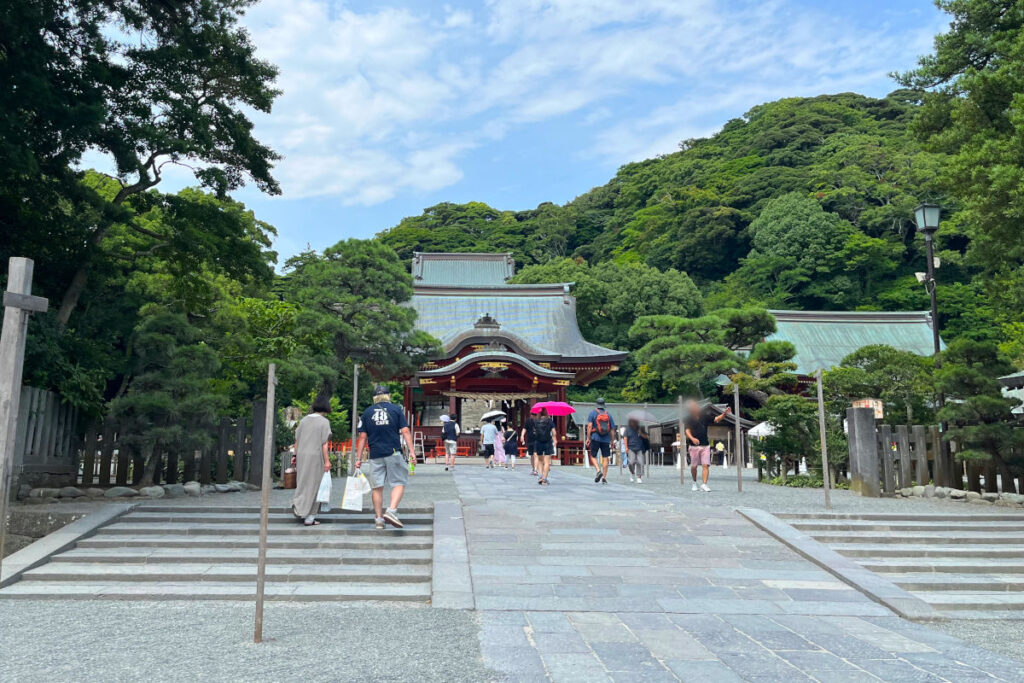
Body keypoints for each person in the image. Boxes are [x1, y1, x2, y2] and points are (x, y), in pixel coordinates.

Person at [354, 385, 415, 529]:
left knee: (377, 487)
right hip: (393, 452)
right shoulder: (396, 410)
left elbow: (362, 437)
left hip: (375, 454)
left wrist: (358, 459)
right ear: (388, 395)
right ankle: (391, 511)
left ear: (374, 397)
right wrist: (412, 451)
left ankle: (379, 520)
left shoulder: (367, 413)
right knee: (399, 482)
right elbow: (405, 430)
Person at [291, 396, 333, 526]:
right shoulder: (324, 422)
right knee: (316, 485)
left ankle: (299, 506)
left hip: (302, 455)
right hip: (316, 456)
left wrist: (295, 455)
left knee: (302, 482)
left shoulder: (303, 421)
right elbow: (324, 444)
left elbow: (297, 440)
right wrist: (327, 461)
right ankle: (310, 516)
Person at [685, 401, 730, 492]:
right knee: (694, 466)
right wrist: (692, 438)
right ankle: (694, 482)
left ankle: (704, 484)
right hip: (694, 446)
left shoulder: (704, 417)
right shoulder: (689, 419)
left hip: (705, 445)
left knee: (706, 465)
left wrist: (724, 414)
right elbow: (687, 431)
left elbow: (716, 419)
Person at [585, 397, 617, 485]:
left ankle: (598, 470)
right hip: (606, 439)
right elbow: (612, 429)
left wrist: (588, 438)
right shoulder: (608, 415)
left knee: (593, 456)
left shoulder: (593, 413)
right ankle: (604, 477)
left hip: (595, 437)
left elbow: (589, 426)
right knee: (605, 457)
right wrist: (612, 441)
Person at [533, 408, 556, 485]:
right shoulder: (549, 421)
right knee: (547, 462)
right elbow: (554, 432)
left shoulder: (536, 421)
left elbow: (534, 432)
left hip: (538, 442)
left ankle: (540, 476)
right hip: (548, 442)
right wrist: (555, 439)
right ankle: (545, 479)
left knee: (540, 460)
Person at [624, 418, 647, 484]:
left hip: (640, 448)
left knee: (640, 462)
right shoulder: (628, 429)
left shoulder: (640, 428)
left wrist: (640, 433)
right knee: (631, 462)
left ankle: (639, 477)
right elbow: (625, 438)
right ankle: (632, 473)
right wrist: (626, 447)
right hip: (631, 447)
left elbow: (645, 437)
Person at [522, 410, 540, 476]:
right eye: (533, 415)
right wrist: (522, 435)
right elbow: (524, 428)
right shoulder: (528, 421)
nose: (533, 416)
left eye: (535, 415)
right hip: (529, 440)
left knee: (535, 454)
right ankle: (533, 468)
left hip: (537, 440)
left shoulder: (539, 422)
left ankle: (535, 469)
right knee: (531, 455)